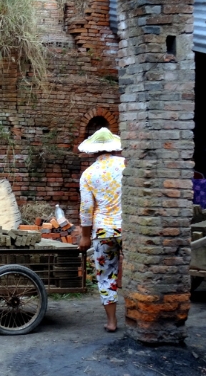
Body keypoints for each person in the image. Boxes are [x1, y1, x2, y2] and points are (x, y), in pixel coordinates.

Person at [77, 127, 125, 333]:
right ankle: (138, 315)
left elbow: (86, 209)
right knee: (138, 273)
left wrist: (85, 237)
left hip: (103, 231)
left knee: (106, 275)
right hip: (128, 228)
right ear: (114, 147)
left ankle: (112, 322)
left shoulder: (88, 174)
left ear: (93, 151)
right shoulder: (126, 165)